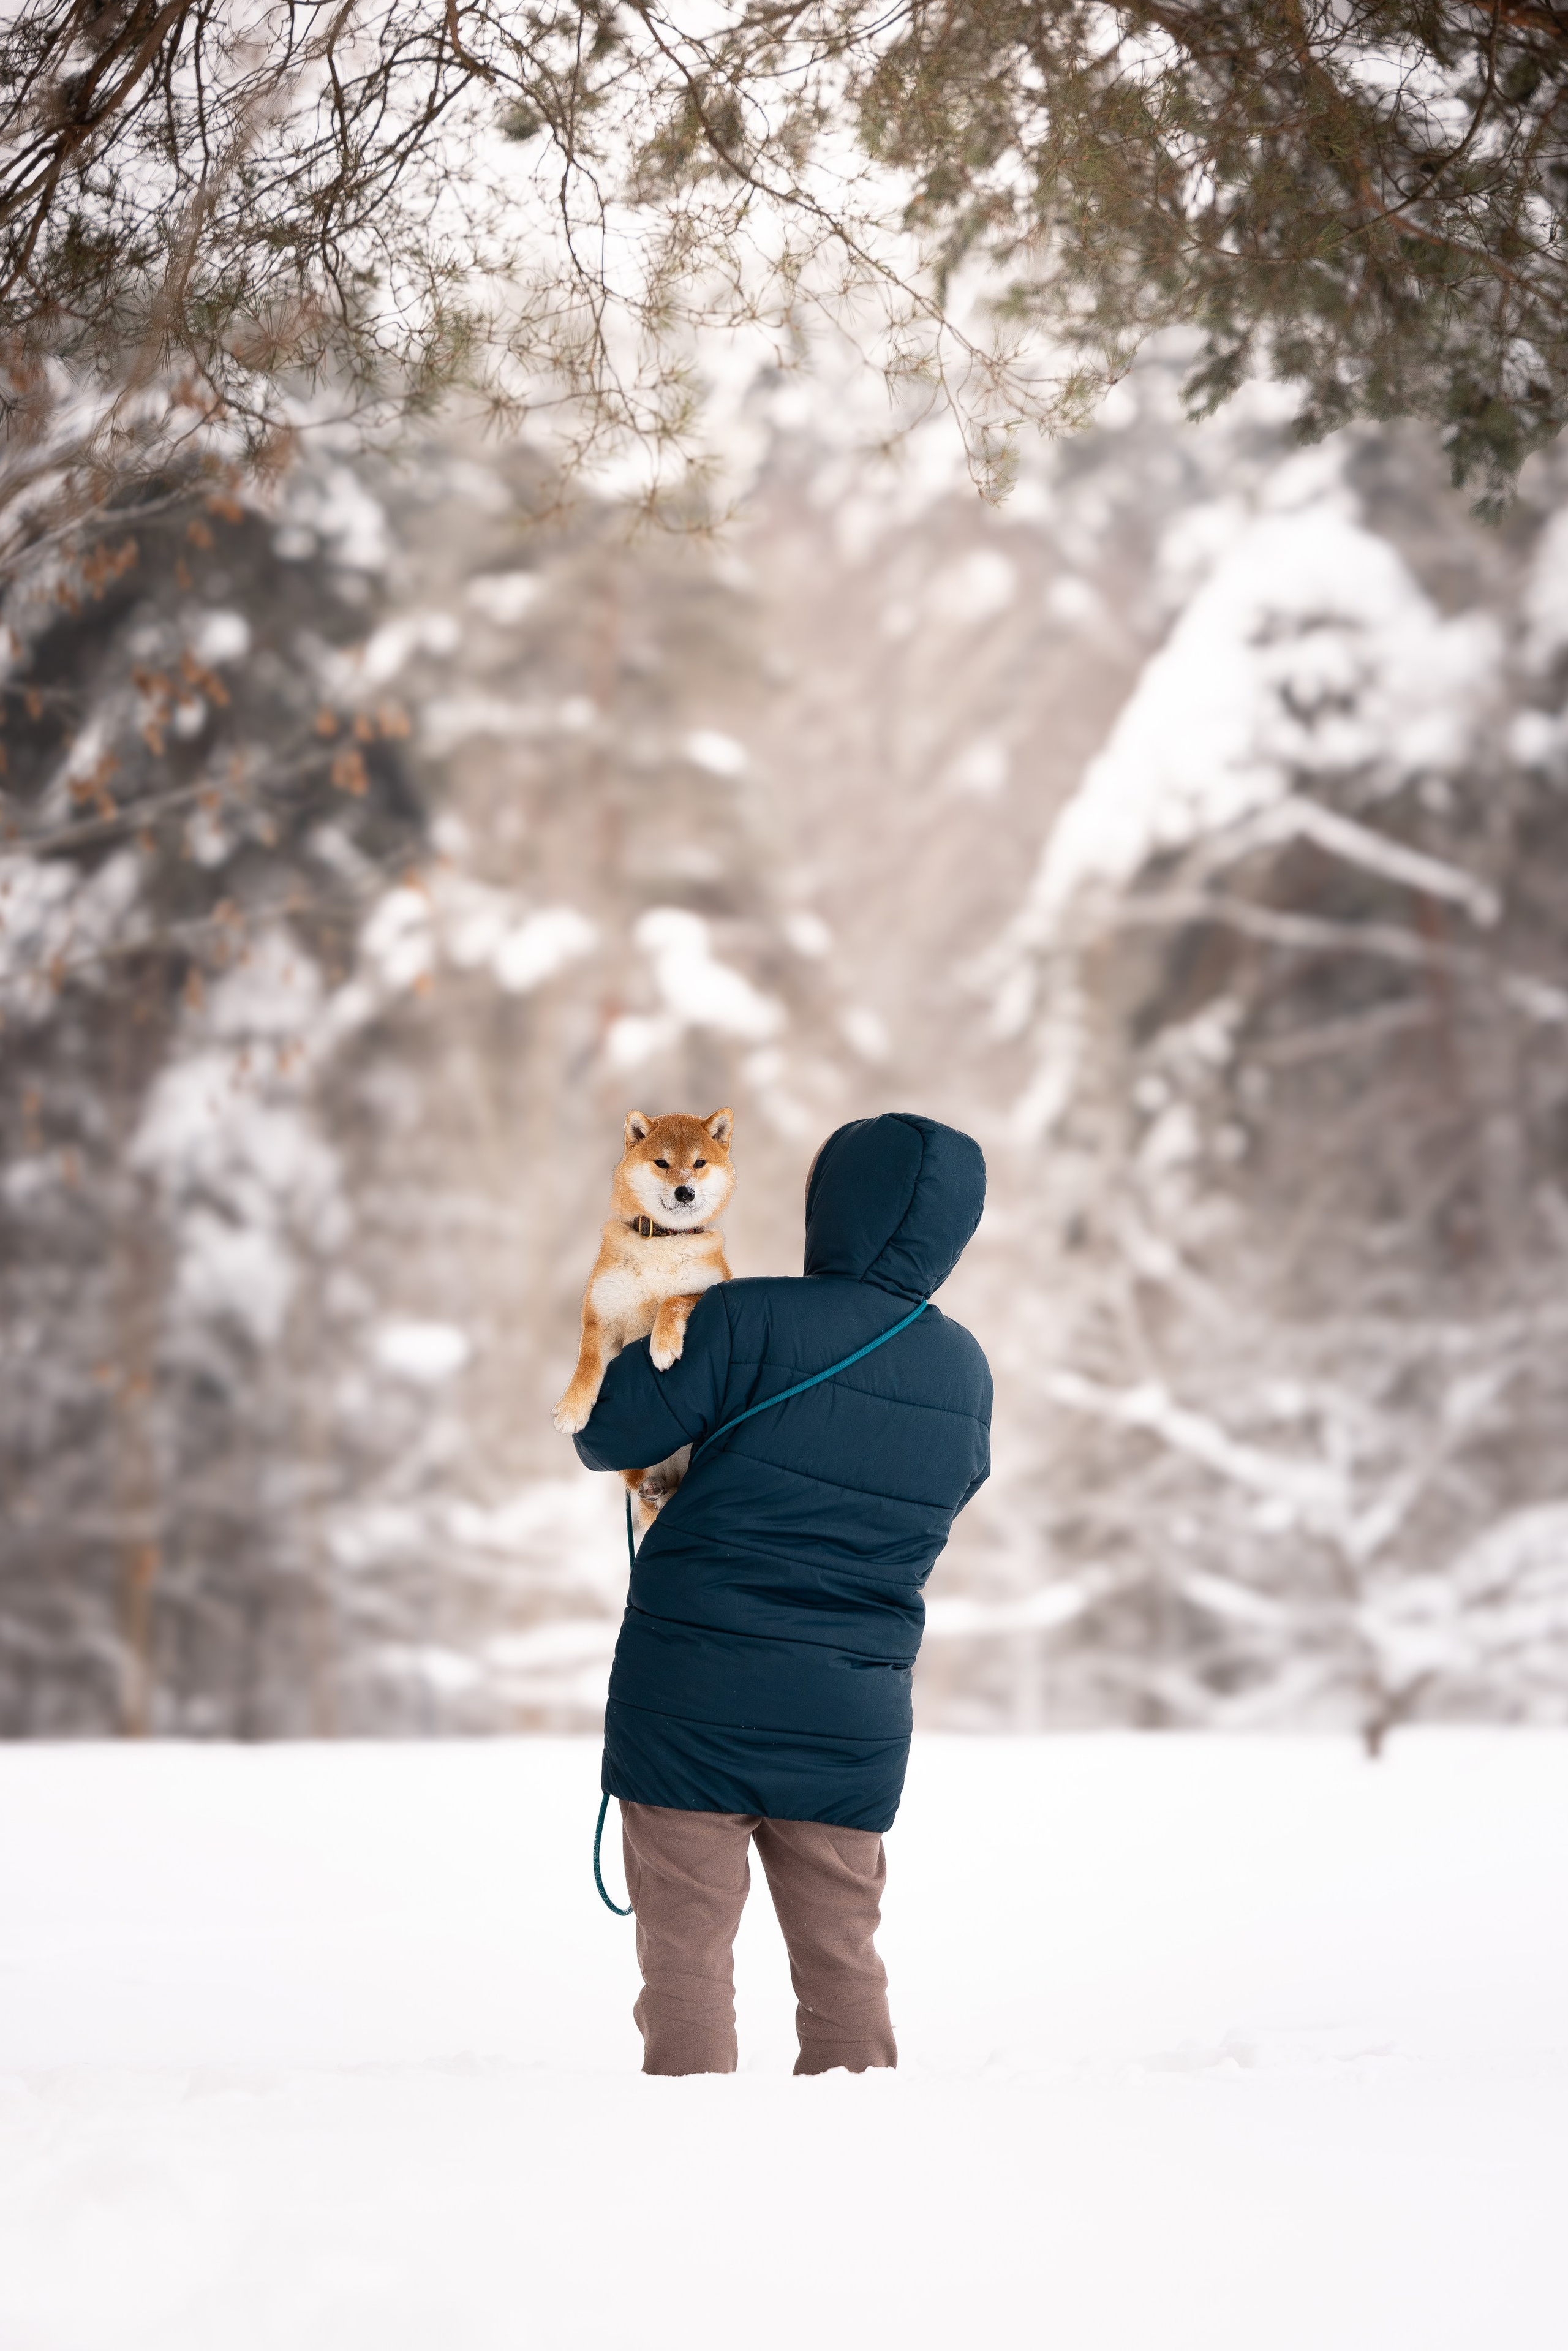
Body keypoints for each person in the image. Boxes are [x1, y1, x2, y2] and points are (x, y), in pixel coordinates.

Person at [573, 1111, 992, 2076]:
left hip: (691, 1692)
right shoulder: (965, 1369)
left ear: (832, 1204)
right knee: (843, 1958)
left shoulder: (744, 1314)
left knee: (684, 1954)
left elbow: (607, 1432)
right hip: (850, 1710)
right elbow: (954, 1492)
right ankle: (858, 2163)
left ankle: (689, 2154)